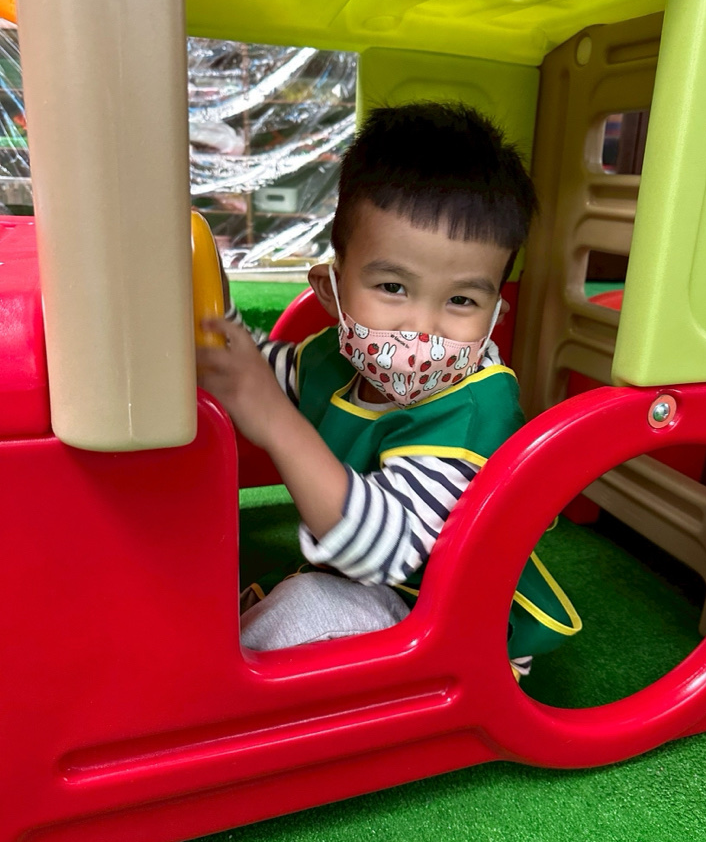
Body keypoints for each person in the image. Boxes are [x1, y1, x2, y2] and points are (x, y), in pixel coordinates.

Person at [197, 102, 580, 671]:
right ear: (331, 291)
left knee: (304, 608)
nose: (422, 329)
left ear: (496, 313)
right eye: (394, 287)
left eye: (461, 300)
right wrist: (214, 321)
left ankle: (215, 684)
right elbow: (253, 370)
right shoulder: (337, 357)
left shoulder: (474, 417)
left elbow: (381, 549)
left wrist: (275, 419)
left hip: (445, 621)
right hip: (366, 589)